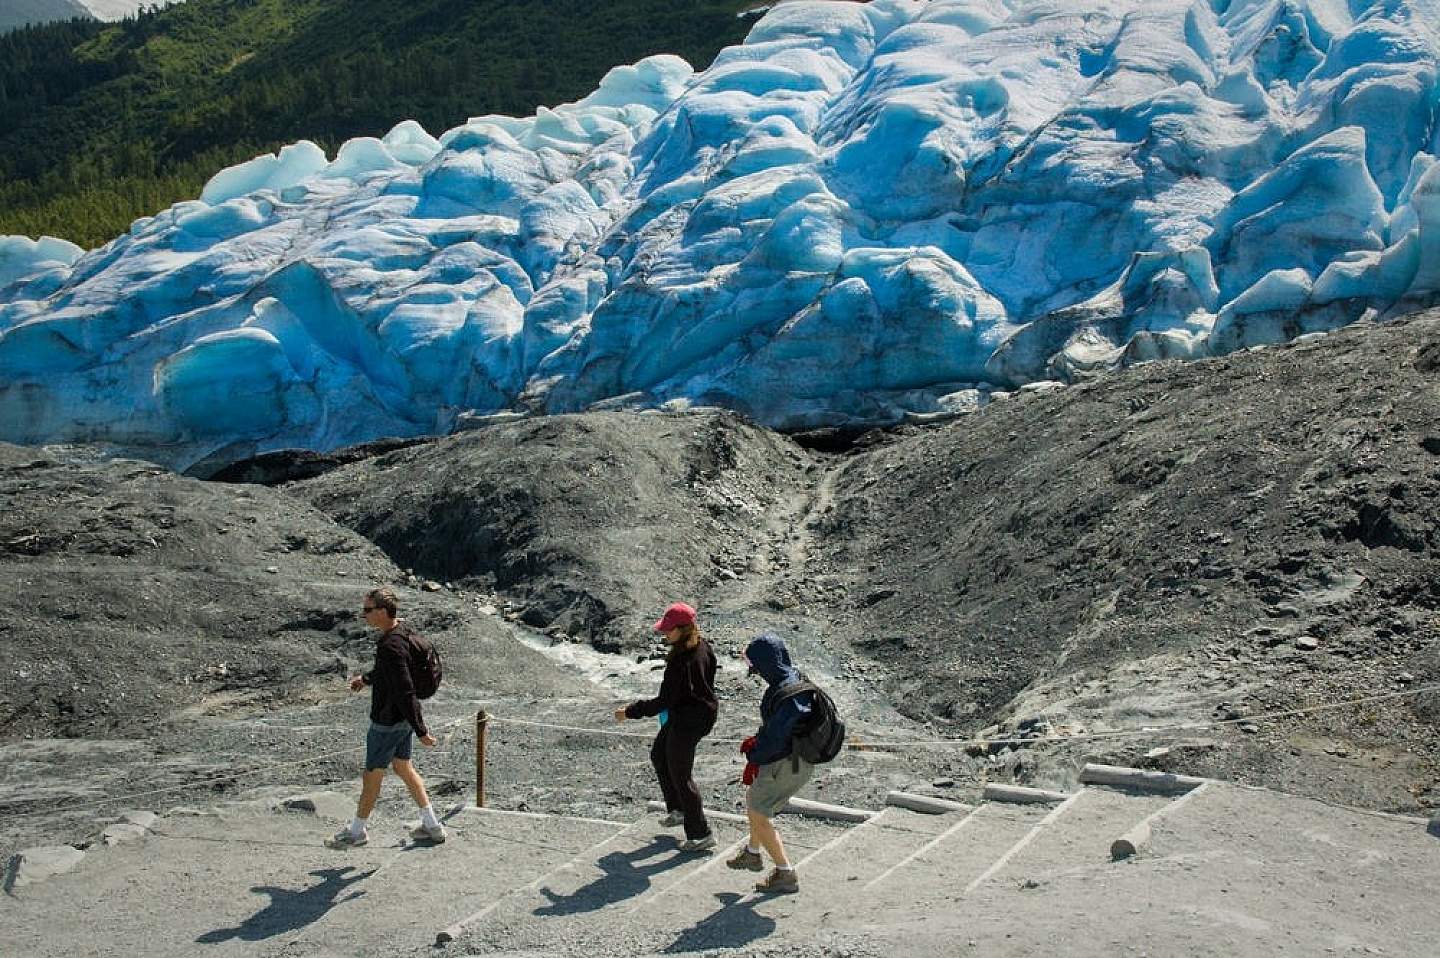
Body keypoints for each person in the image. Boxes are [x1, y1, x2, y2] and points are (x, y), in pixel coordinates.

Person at [329, 587, 446, 848]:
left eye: (368, 610)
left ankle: (357, 831)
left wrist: (422, 731)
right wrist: (367, 679)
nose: (364, 615)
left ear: (382, 612)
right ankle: (432, 825)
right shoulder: (402, 632)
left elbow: (405, 690)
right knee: (403, 767)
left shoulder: (390, 645)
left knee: (372, 775)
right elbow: (391, 671)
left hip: (388, 722)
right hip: (401, 720)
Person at [614, 601, 719, 853]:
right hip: (693, 713)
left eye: (668, 629)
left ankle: (700, 834)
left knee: (682, 776)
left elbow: (664, 701)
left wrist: (630, 711)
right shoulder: (703, 646)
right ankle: (678, 809)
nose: (664, 633)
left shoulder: (680, 661)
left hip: (689, 720)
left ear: (683, 629)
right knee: (659, 755)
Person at [727, 632, 815, 894]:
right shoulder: (797, 679)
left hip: (784, 762)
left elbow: (777, 737)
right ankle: (753, 852)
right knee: (756, 800)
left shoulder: (785, 694)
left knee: (758, 811)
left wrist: (754, 754)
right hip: (799, 759)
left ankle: (785, 872)